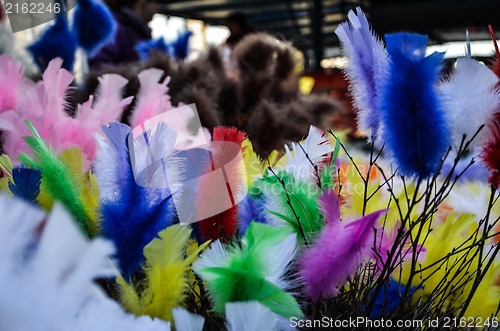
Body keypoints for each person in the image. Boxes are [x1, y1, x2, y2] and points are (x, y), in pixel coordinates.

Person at [89, 0, 158, 70]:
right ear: (143, 1)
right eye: (156, 2)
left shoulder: (137, 31)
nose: (157, 7)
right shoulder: (114, 27)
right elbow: (98, 65)